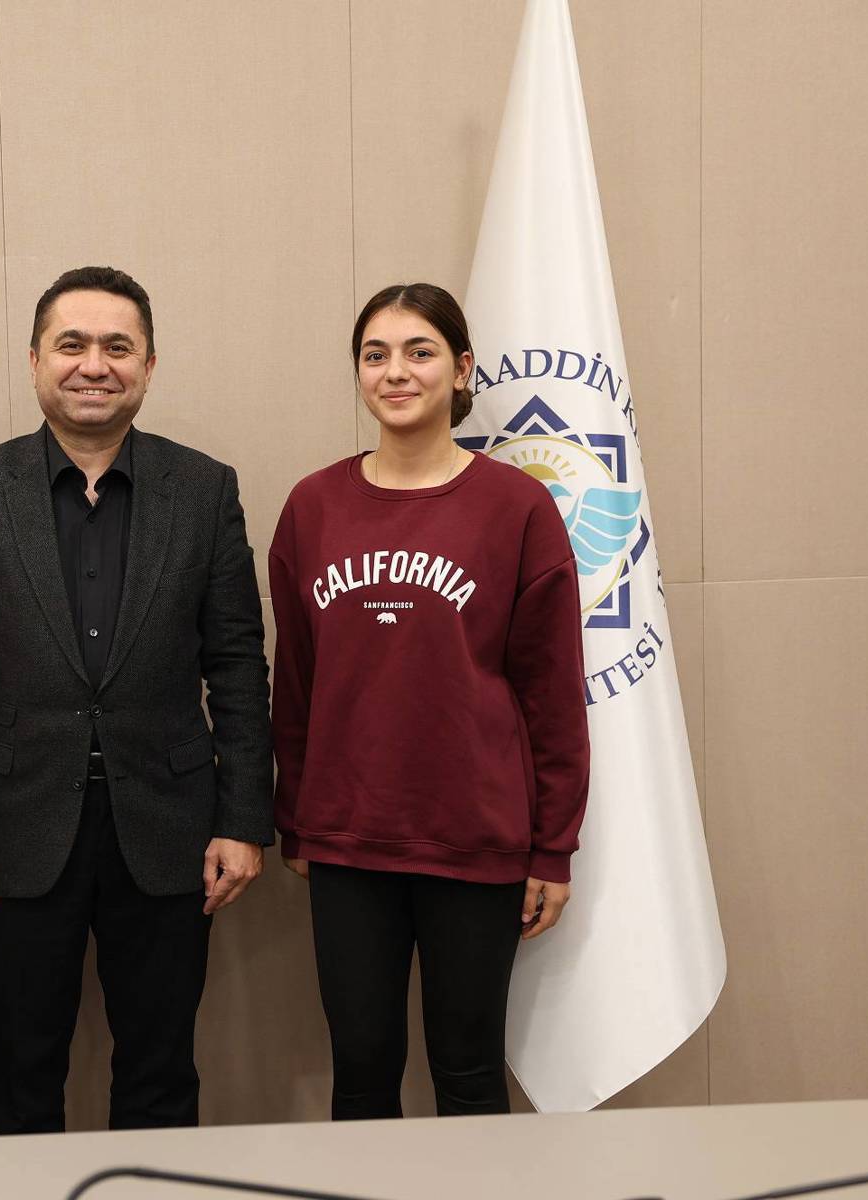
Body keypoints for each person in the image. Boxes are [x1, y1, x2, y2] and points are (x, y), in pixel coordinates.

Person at [0, 265, 273, 1134]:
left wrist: (242, 820)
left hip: (171, 828)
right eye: (71, 344)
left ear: (149, 366)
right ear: (36, 359)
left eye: (118, 346)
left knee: (160, 1070)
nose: (94, 364)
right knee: (18, 1073)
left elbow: (237, 665)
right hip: (14, 831)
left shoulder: (204, 489)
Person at [269, 282, 590, 1119]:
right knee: (361, 1075)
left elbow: (552, 695)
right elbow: (294, 683)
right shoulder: (312, 508)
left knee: (470, 1074)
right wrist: (295, 818)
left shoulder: (517, 508)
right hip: (347, 840)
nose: (396, 372)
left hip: (476, 839)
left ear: (462, 369)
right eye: (375, 354)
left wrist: (553, 848)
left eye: (420, 352)